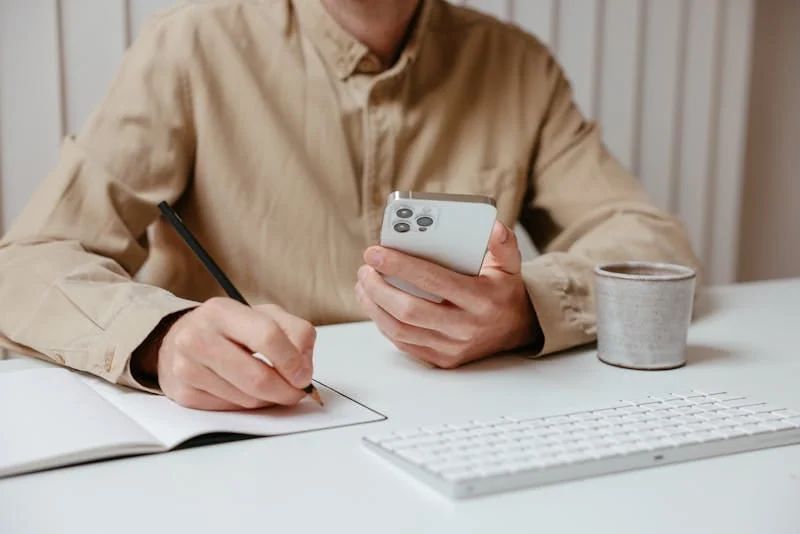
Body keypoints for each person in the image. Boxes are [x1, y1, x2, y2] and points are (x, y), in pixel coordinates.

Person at [0, 0, 700, 411]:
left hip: (465, 434)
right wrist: (162, 337)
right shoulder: (191, 45)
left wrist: (525, 311)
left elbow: (649, 244)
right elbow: (26, 263)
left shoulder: (515, 62)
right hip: (249, 442)